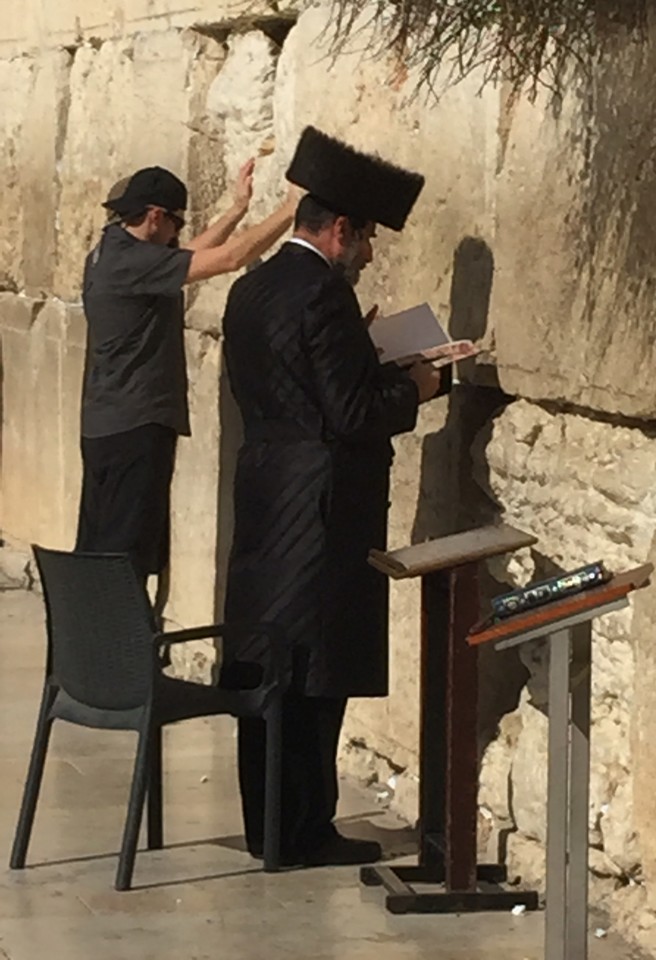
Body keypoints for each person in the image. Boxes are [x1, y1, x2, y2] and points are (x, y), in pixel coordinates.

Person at [220, 127, 444, 867]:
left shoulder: (252, 287)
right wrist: (411, 384)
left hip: (263, 501)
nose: (371, 253)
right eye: (368, 238)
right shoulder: (322, 293)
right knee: (314, 674)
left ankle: (270, 827)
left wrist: (360, 349)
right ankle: (307, 831)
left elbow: (294, 383)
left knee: (270, 669)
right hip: (320, 511)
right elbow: (351, 412)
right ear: (340, 229)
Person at [76, 160, 297, 593]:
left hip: (110, 426)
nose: (178, 233)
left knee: (107, 550)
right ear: (156, 216)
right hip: (134, 427)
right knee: (124, 557)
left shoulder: (113, 252)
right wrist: (289, 210)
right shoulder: (131, 263)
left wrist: (236, 211)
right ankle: (116, 653)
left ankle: (103, 649)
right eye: (176, 223)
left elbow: (187, 257)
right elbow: (228, 260)